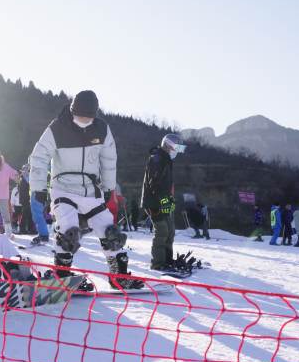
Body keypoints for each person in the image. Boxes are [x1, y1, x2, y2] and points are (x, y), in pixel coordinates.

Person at [29, 90, 143, 289]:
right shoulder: (57, 128)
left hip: (90, 191)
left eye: (88, 117)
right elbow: (39, 157)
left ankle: (119, 276)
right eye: (80, 116)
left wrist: (108, 188)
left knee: (110, 231)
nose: (84, 120)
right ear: (73, 111)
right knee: (68, 229)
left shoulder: (101, 129)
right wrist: (38, 188)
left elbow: (109, 161)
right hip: (63, 189)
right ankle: (62, 275)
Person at [142, 133, 187, 272]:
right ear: (168, 145)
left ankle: (167, 260)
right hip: (154, 203)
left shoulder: (166, 159)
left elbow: (165, 185)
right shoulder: (157, 159)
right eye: (176, 148)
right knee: (162, 231)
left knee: (170, 231)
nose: (177, 152)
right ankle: (157, 264)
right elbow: (154, 184)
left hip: (164, 201)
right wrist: (163, 200)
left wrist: (170, 199)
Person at [18, 164, 35, 235]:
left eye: (27, 169)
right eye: (24, 169)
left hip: (31, 198)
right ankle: (22, 229)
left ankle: (30, 229)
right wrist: (22, 200)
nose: (26, 171)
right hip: (25, 199)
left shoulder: (31, 178)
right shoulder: (21, 179)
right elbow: (21, 191)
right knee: (25, 214)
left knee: (30, 214)